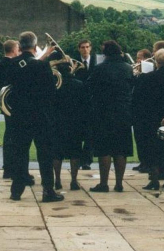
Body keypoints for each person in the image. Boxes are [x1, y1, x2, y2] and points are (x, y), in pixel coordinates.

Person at [7, 31, 63, 202]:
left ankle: (16, 191)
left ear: (20, 44)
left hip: (19, 116)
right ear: (34, 45)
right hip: (40, 116)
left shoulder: (13, 63)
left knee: (20, 153)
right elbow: (51, 92)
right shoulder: (41, 65)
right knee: (45, 154)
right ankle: (48, 191)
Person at [87, 40, 134, 193]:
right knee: (121, 149)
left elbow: (90, 87)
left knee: (104, 149)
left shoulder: (99, 68)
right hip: (123, 111)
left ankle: (104, 183)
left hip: (103, 111)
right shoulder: (128, 68)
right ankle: (119, 183)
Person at [51, 58, 89, 191]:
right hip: (75, 122)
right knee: (75, 153)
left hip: (57, 122)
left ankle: (57, 180)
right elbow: (85, 105)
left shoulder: (54, 84)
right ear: (70, 69)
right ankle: (74, 180)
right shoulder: (79, 84)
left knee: (57, 153)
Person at [140, 48, 164, 190]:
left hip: (152, 117)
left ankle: (154, 179)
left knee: (153, 149)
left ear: (156, 61)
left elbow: (142, 99)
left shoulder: (147, 78)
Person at [0, 40, 22, 180]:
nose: (19, 50)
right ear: (13, 49)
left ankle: (8, 167)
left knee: (9, 136)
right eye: (18, 48)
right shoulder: (12, 63)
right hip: (13, 104)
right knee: (15, 137)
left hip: (6, 104)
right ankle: (12, 168)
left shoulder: (1, 63)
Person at [72, 39, 97, 170]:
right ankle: (78, 159)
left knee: (90, 133)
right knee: (78, 132)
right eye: (82, 47)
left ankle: (87, 160)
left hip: (92, 101)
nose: (85, 50)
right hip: (78, 102)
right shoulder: (74, 62)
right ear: (79, 49)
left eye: (87, 47)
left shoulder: (96, 61)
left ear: (90, 48)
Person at [131, 48, 152, 173]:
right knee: (139, 137)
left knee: (145, 138)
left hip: (145, 110)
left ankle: (147, 163)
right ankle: (142, 162)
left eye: (139, 57)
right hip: (137, 110)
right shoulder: (139, 72)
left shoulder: (148, 72)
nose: (137, 60)